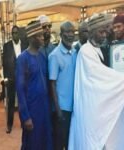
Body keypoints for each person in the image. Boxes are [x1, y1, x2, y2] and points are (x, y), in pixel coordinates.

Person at [69, 13, 124, 149]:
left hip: (95, 106)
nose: (104, 35)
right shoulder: (86, 51)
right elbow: (101, 75)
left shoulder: (97, 49)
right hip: (89, 109)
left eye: (105, 31)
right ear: (91, 32)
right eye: (101, 32)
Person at [16, 21, 52, 150]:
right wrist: (25, 117)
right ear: (31, 38)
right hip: (32, 110)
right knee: (32, 143)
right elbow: (20, 90)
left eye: (42, 35)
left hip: (44, 108)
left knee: (45, 141)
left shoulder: (43, 56)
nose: (43, 37)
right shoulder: (23, 59)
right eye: (39, 36)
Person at [49, 21, 77, 150]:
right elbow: (52, 84)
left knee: (70, 143)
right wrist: (58, 110)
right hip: (62, 110)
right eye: (67, 32)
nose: (71, 35)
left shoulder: (75, 53)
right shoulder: (55, 56)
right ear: (61, 34)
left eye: (72, 32)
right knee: (59, 144)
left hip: (74, 108)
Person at [2, 25, 28, 133]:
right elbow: (4, 63)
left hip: (22, 78)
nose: (15, 35)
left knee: (23, 101)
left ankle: (24, 122)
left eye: (16, 32)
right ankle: (9, 125)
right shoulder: (7, 46)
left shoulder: (25, 44)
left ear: (19, 34)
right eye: (13, 33)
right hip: (11, 78)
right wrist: (6, 77)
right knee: (11, 103)